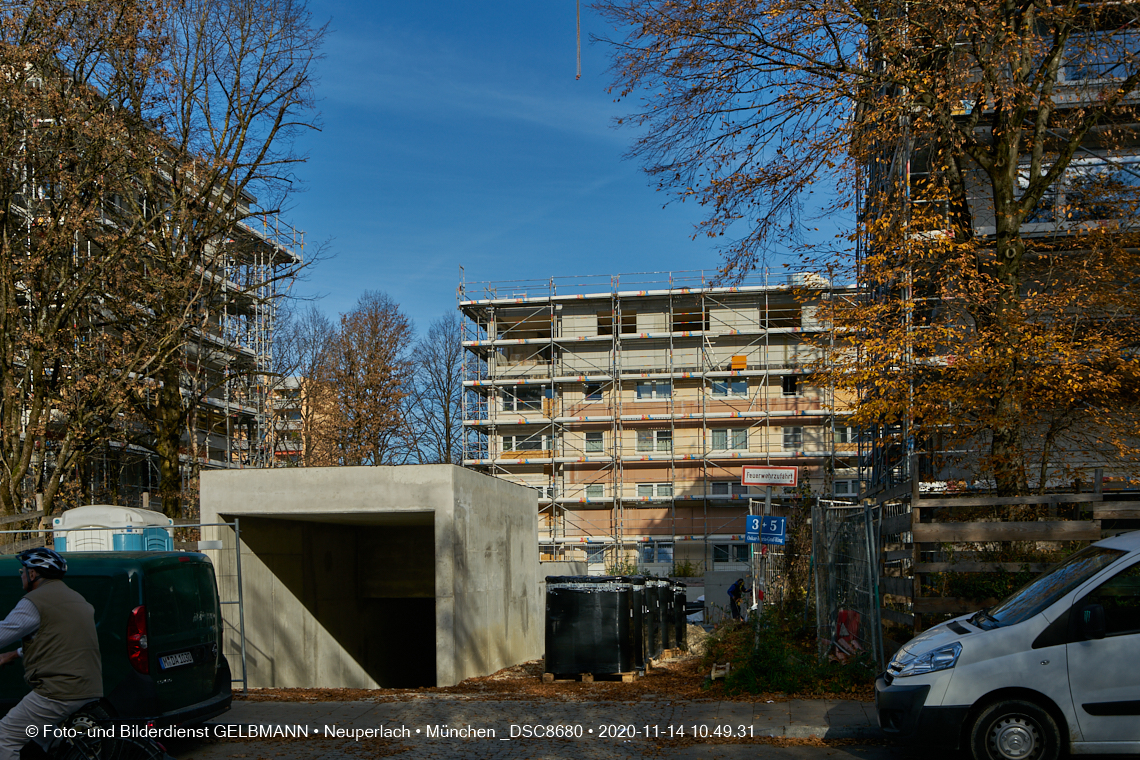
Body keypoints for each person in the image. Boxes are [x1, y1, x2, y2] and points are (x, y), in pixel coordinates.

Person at [0, 548, 102, 760]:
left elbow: (3, 633)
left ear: (33, 574)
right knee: (41, 732)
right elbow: (56, 639)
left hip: (59, 690)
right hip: (87, 685)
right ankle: (63, 750)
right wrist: (15, 654)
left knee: (5, 735)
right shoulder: (76, 598)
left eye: (23, 571)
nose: (21, 575)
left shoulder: (34, 601)